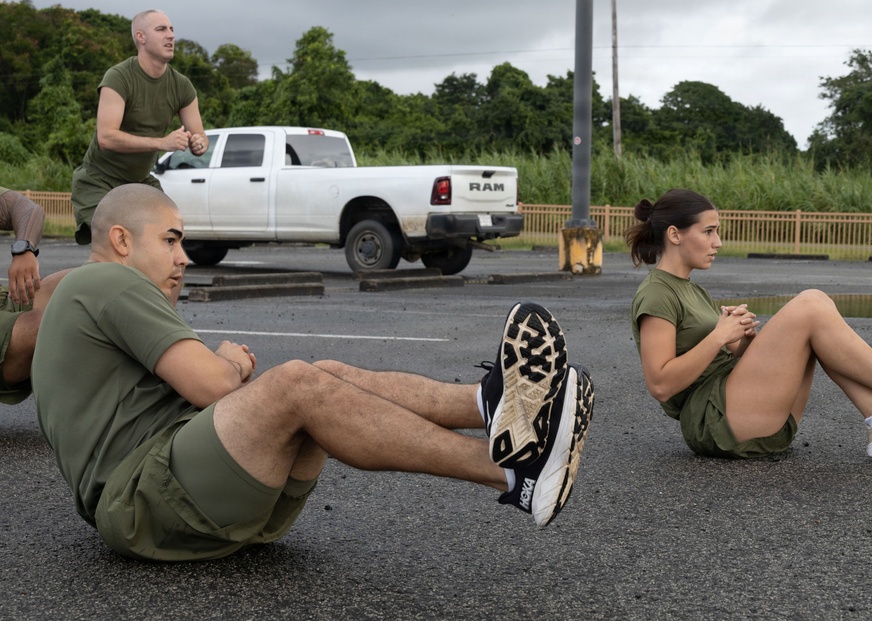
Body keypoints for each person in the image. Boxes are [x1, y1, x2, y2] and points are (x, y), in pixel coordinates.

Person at [32, 184, 594, 562]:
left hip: (185, 498)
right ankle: (514, 474)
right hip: (146, 502)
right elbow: (215, 385)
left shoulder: (90, 293)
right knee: (298, 384)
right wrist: (231, 361)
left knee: (321, 374)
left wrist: (227, 372)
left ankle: (489, 404)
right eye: (171, 240)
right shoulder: (105, 280)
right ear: (121, 240)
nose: (182, 256)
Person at [626, 188, 872, 460]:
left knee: (816, 320)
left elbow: (730, 358)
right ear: (675, 234)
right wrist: (719, 336)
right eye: (708, 231)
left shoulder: (692, 290)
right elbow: (660, 384)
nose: (718, 242)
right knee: (811, 304)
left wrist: (744, 339)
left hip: (742, 411)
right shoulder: (657, 294)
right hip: (714, 422)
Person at [70, 9, 208, 245]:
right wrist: (162, 143)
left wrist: (199, 143)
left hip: (140, 181)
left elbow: (200, 136)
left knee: (167, 237)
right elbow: (107, 138)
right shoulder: (118, 77)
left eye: (172, 29)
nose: (171, 35)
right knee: (113, 245)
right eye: (161, 29)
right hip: (100, 179)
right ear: (140, 37)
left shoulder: (182, 86)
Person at [0, 187, 70, 405]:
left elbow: (25, 208)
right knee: (49, 325)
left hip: (5, 301)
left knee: (92, 281)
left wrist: (24, 248)